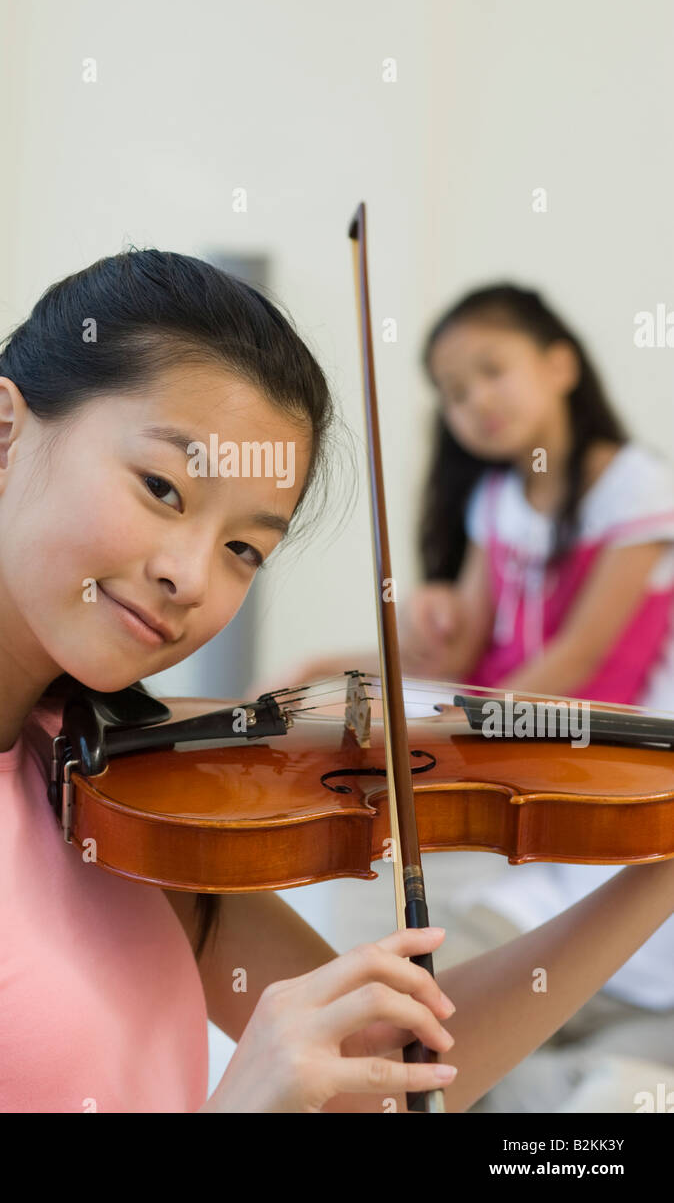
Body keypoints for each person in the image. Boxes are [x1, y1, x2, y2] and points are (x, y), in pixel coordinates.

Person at [0, 254, 672, 1114]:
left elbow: (396, 1079)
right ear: (0, 435)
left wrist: (657, 871)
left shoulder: (115, 790)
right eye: (163, 487)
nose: (192, 577)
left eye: (243, 550)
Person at [264, 281, 674, 1109]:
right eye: (454, 392)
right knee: (309, 675)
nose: (475, 401)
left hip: (589, 736)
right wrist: (416, 628)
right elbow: (469, 650)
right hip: (519, 722)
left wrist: (458, 723)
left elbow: (579, 654)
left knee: (453, 997)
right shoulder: (497, 498)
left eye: (492, 370)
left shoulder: (633, 486)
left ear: (561, 364)